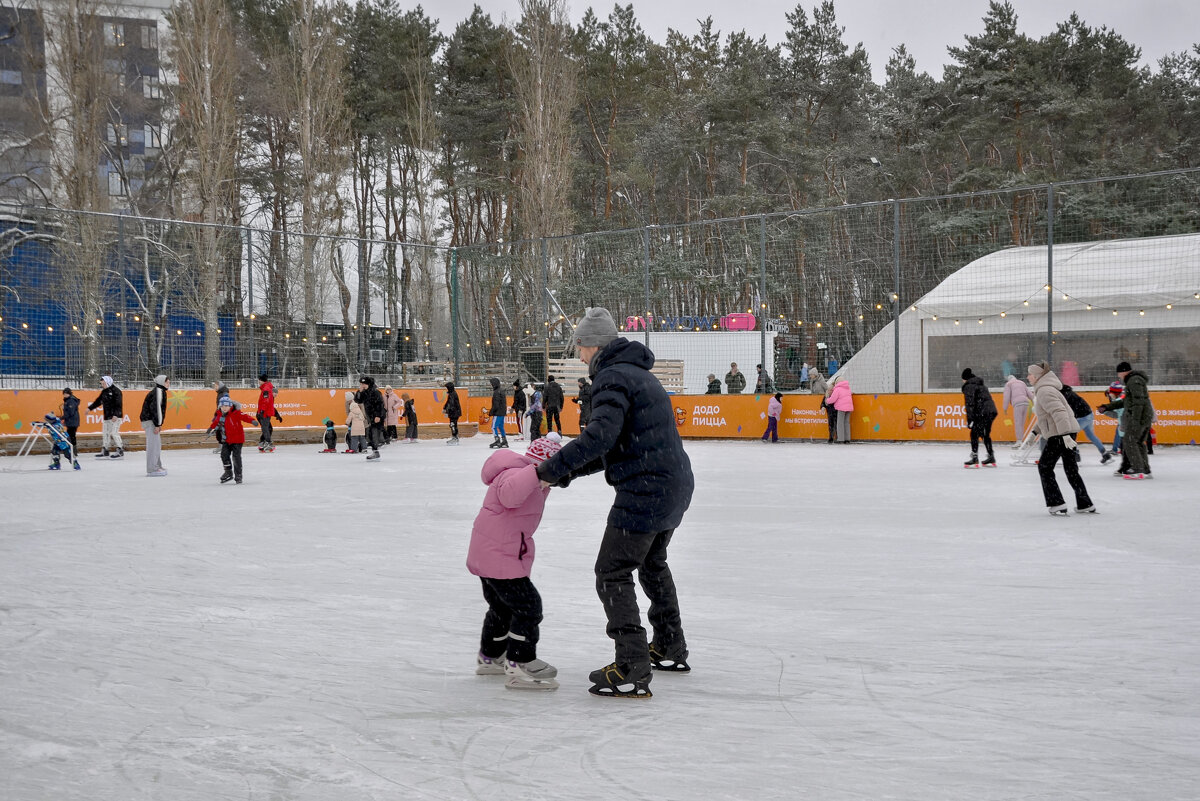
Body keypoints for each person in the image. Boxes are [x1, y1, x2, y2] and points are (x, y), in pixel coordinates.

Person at [533, 307, 694, 699]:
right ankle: (670, 645)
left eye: (581, 348)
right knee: (652, 563)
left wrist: (548, 470)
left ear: (592, 345)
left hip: (646, 489)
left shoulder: (611, 377)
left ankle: (631, 665)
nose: (580, 356)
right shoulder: (635, 373)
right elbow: (617, 446)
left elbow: (599, 438)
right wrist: (566, 474)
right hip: (673, 485)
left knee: (612, 571)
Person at [468, 432, 564, 691]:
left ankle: (491, 656)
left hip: (491, 551)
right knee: (528, 607)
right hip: (501, 554)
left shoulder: (518, 472)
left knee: (501, 608)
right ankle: (520, 663)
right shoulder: (520, 476)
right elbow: (511, 496)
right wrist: (537, 474)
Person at [1027, 362, 1094, 514]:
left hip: (1059, 434)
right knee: (1071, 469)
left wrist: (1064, 435)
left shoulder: (1044, 391)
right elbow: (1047, 416)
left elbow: (1059, 412)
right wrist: (1034, 432)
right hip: (1065, 433)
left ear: (1037, 376)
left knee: (1045, 467)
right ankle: (1085, 503)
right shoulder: (1047, 389)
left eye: (1030, 374)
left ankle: (1057, 503)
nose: (1028, 377)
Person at [1098, 361, 1152, 479]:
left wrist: (1135, 419)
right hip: (1144, 416)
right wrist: (1107, 407)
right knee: (1138, 442)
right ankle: (1145, 469)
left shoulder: (1134, 381)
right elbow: (1126, 402)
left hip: (1139, 417)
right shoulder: (1133, 380)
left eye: (1119, 373)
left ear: (1124, 372)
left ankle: (1138, 469)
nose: (1119, 376)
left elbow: (1138, 402)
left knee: (1129, 440)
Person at [210, 396, 257, 485]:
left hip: (237, 440)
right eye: (223, 406)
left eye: (226, 406)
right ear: (220, 406)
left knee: (236, 457)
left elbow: (245, 417)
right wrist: (210, 429)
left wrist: (252, 421)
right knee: (224, 455)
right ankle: (228, 471)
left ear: (230, 406)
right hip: (226, 440)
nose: (224, 408)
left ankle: (238, 475)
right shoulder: (219, 414)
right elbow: (216, 422)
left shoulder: (236, 413)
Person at [1060, 385, 1107, 463]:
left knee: (1070, 433)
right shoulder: (1068, 393)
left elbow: (1069, 411)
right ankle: (1105, 454)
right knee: (1090, 436)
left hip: (1084, 417)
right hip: (1088, 414)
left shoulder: (1066, 396)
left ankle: (1075, 453)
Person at [960, 368, 997, 467]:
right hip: (991, 411)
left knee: (974, 434)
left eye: (963, 379)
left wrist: (970, 420)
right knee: (984, 434)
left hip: (982, 412)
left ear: (965, 379)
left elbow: (970, 404)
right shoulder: (981, 385)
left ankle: (975, 458)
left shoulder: (969, 386)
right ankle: (991, 456)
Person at [140, 374, 169, 477]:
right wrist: (157, 424)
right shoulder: (158, 391)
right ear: (161, 382)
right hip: (150, 421)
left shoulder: (160, 391)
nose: (168, 384)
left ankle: (157, 465)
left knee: (157, 444)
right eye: (167, 382)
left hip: (152, 421)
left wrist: (159, 424)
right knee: (153, 445)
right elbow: (156, 409)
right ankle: (152, 469)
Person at [88, 375, 124, 458]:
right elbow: (98, 401)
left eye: (103, 384)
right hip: (107, 416)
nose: (102, 385)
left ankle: (120, 449)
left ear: (108, 382)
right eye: (101, 384)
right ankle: (105, 450)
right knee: (106, 433)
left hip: (116, 416)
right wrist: (90, 408)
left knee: (114, 433)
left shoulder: (116, 391)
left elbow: (118, 404)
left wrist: (116, 414)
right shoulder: (104, 391)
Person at [356, 376, 384, 460]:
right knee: (371, 433)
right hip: (370, 416)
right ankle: (375, 450)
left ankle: (376, 449)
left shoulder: (375, 392)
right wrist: (359, 392)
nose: (362, 385)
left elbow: (380, 404)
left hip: (376, 416)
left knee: (374, 432)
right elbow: (358, 400)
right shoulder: (364, 393)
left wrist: (378, 415)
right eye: (361, 384)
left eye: (364, 384)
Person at [1002, 373, 1033, 447]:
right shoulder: (1022, 383)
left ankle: (1019, 441)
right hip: (1026, 403)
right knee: (1022, 423)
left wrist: (1005, 408)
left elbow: (1006, 397)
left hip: (1018, 404)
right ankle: (1022, 440)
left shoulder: (1008, 384)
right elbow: (1029, 394)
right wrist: (1035, 401)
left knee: (1018, 423)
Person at [256, 373, 278, 452]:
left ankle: (268, 443)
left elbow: (266, 401)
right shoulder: (268, 387)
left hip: (265, 412)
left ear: (262, 380)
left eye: (259, 380)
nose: (258, 381)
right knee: (267, 428)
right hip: (266, 412)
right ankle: (263, 443)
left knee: (266, 428)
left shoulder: (266, 389)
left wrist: (262, 410)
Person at [827, 377, 854, 443]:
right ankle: (847, 439)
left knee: (840, 423)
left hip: (841, 408)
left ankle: (841, 439)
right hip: (849, 407)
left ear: (837, 382)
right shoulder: (848, 388)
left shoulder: (837, 389)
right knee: (846, 423)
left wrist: (827, 401)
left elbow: (833, 399)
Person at [487, 377, 509, 449]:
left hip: (498, 413)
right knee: (501, 427)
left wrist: (491, 412)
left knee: (493, 427)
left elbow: (496, 405)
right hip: (502, 412)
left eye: (491, 384)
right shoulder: (501, 391)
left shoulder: (496, 392)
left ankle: (497, 440)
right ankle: (504, 440)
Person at [60, 388, 80, 458]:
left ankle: (73, 451)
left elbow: (70, 412)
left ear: (69, 393)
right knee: (71, 436)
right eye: (64, 394)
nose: (64, 395)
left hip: (72, 421)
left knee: (71, 436)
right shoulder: (68, 400)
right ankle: (73, 451)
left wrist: (62, 418)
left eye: (66, 394)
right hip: (71, 421)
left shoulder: (71, 400)